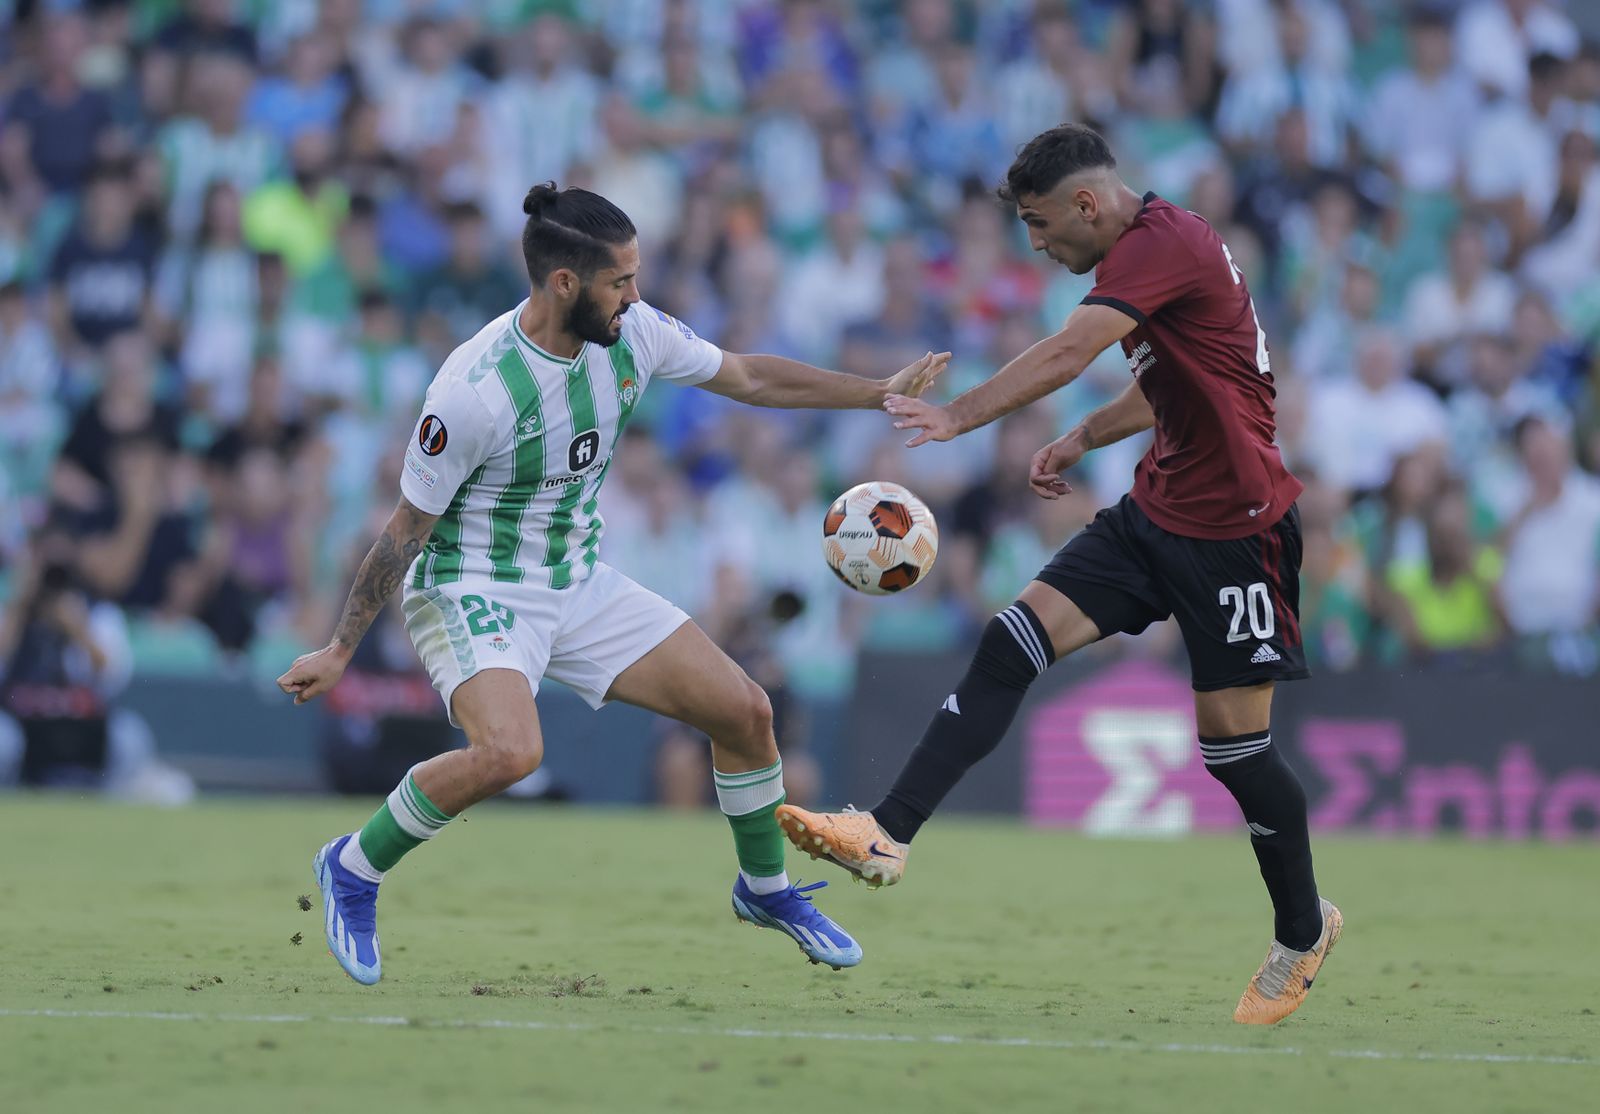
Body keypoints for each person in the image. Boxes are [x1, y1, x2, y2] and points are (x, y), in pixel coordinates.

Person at [275, 183, 949, 985]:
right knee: (511, 753)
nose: (635, 294)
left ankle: (764, 890)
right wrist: (342, 647)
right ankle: (354, 867)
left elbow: (750, 378)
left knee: (745, 711)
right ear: (565, 283)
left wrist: (875, 392)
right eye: (620, 280)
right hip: (472, 584)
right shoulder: (472, 392)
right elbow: (403, 533)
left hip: (576, 577)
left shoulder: (636, 333)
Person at [778, 124, 1340, 1026]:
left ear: (1088, 204)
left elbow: (1068, 353)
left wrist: (959, 416)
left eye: (1040, 226)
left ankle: (1304, 929)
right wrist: (1085, 436)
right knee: (1013, 639)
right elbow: (1175, 379)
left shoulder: (1163, 244)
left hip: (1239, 529)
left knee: (1235, 753)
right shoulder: (1157, 253)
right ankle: (885, 832)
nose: (1037, 246)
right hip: (1156, 512)